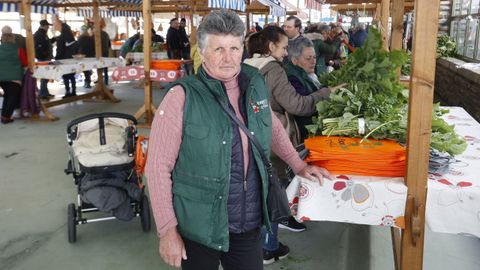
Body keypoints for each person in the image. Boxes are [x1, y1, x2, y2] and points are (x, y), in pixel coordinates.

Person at [145, 9, 332, 270]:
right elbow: (157, 168)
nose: (227, 58)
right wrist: (167, 230)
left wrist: (299, 165)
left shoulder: (253, 81)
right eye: (218, 49)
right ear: (202, 51)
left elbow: (272, 126)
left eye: (234, 48)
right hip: (200, 226)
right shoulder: (181, 97)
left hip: (247, 220)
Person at [244, 26, 333, 264]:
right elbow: (296, 105)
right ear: (271, 46)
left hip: (251, 137)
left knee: (258, 191)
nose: (285, 53)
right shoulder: (273, 69)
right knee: (273, 192)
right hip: (272, 139)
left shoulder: (249, 65)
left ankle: (260, 245)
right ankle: (268, 247)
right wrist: (325, 94)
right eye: (283, 47)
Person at [286, 37, 336, 141]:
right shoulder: (292, 79)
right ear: (294, 60)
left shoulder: (309, 74)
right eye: (308, 58)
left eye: (314, 57)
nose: (313, 61)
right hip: (306, 134)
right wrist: (329, 92)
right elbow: (306, 106)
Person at [0, 26, 27, 124]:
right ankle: (6, 117)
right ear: (12, 38)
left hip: (1, 78)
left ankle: (4, 115)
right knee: (12, 97)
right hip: (14, 78)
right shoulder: (18, 50)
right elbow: (24, 63)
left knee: (7, 96)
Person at [53, 18, 78, 98]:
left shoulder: (61, 37)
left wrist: (56, 58)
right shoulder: (71, 36)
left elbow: (59, 50)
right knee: (72, 76)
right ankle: (74, 91)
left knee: (66, 76)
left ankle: (68, 92)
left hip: (64, 60)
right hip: (72, 59)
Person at [34, 19, 54, 100]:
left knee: (46, 76)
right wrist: (43, 56)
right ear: (44, 26)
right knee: (44, 76)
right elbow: (38, 47)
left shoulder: (43, 34)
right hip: (43, 59)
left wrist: (54, 39)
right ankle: (43, 94)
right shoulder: (39, 34)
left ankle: (45, 92)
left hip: (45, 58)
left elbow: (46, 44)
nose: (48, 27)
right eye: (47, 26)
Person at [100, 19, 112, 85]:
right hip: (106, 51)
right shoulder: (106, 34)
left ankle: (100, 80)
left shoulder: (97, 35)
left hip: (99, 53)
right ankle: (106, 81)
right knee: (105, 68)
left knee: (99, 67)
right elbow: (109, 44)